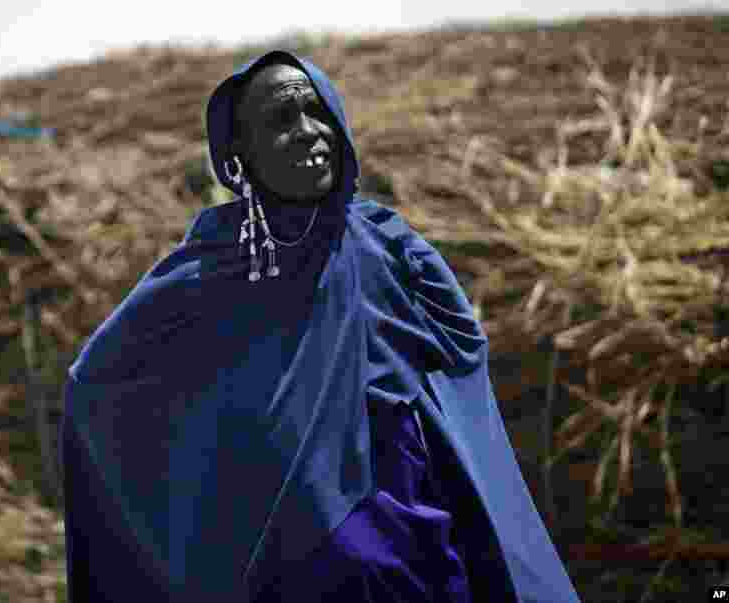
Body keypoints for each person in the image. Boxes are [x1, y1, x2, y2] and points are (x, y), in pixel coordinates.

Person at [60, 50, 581, 602]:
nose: (308, 133)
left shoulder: (388, 247)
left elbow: (458, 365)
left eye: (317, 113)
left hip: (411, 524)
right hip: (288, 553)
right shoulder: (211, 267)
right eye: (281, 121)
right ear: (241, 154)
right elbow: (97, 384)